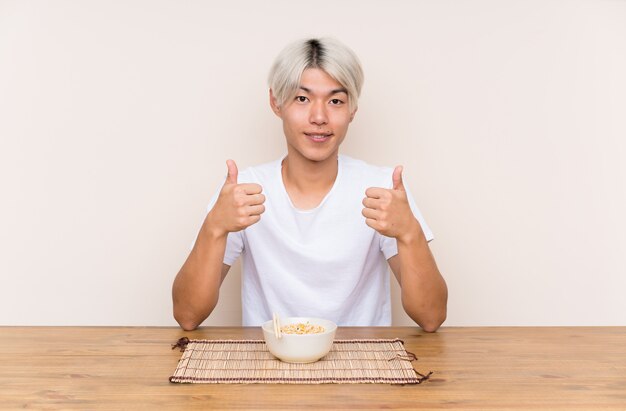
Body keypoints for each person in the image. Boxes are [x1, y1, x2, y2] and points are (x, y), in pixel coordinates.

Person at [172, 38, 447, 332]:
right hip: (267, 366)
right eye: (302, 99)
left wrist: (409, 232)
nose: (319, 117)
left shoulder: (381, 190)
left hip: (364, 366)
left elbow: (431, 318)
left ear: (352, 109)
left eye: (336, 101)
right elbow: (188, 315)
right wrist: (214, 227)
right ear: (276, 102)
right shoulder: (245, 190)